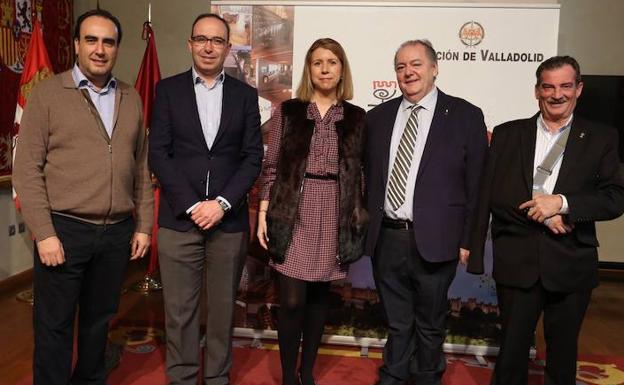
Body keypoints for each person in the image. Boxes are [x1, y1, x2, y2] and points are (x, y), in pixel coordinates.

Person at [12, 9, 153, 385]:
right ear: (76, 45)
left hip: (115, 233)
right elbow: (26, 170)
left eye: (108, 41)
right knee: (54, 325)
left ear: (117, 48)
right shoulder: (47, 95)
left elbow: (140, 166)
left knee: (98, 321)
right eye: (91, 39)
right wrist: (44, 233)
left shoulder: (130, 96)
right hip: (64, 230)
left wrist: (143, 226)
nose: (100, 49)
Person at [468, 56, 624, 385]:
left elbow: (615, 198)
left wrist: (563, 204)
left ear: (579, 89)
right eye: (548, 86)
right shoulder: (508, 134)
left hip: (572, 261)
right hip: (518, 261)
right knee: (511, 352)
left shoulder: (602, 137)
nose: (557, 94)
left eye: (566, 86)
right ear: (536, 91)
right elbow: (492, 195)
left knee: (563, 353)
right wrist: (542, 215)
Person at [364, 39, 488, 385]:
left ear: (434, 68)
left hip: (437, 239)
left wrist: (469, 241)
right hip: (387, 237)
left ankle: (427, 377)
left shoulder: (466, 115)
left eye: (416, 64)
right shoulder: (377, 117)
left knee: (430, 321)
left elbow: (477, 187)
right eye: (401, 66)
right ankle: (393, 374)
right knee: (396, 319)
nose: (408, 72)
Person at [148, 13, 263, 385]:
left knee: (221, 310)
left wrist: (223, 204)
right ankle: (182, 377)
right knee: (179, 311)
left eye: (217, 40)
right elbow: (158, 154)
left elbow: (252, 157)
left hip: (227, 223)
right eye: (201, 39)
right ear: (190, 44)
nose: (209, 46)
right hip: (179, 220)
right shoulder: (167, 90)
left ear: (228, 48)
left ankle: (217, 378)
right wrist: (194, 205)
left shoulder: (246, 96)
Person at [256, 38, 367, 385]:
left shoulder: (357, 117)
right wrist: (263, 213)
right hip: (293, 210)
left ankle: (307, 374)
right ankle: (289, 374)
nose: (324, 69)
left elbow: (361, 173)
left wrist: (356, 217)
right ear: (309, 69)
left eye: (332, 62)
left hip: (335, 210)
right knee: (291, 301)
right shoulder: (287, 112)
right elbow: (271, 166)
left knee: (319, 298)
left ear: (341, 69)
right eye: (318, 62)